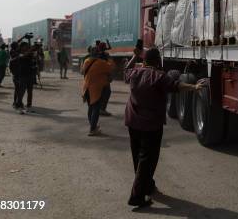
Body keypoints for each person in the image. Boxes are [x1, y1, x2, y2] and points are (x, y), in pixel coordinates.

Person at [124, 48, 203, 208]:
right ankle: (137, 196)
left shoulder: (134, 73)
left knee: (137, 156)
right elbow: (177, 86)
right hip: (151, 124)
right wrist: (194, 87)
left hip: (133, 121)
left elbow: (125, 71)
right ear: (158, 61)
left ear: (144, 61)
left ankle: (147, 185)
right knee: (148, 159)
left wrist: (134, 56)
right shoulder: (159, 76)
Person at [81, 47, 115, 136]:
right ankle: (92, 129)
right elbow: (111, 67)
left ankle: (93, 126)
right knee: (96, 108)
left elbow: (82, 71)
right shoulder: (101, 63)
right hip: (95, 89)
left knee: (90, 107)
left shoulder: (86, 61)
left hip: (86, 88)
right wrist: (108, 57)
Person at [14, 42, 37, 114]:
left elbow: (33, 60)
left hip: (30, 74)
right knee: (22, 91)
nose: (27, 47)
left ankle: (29, 105)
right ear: (21, 47)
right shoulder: (18, 53)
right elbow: (22, 56)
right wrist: (31, 50)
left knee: (30, 91)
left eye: (27, 46)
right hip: (23, 74)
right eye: (25, 46)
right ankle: (18, 105)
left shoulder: (29, 53)